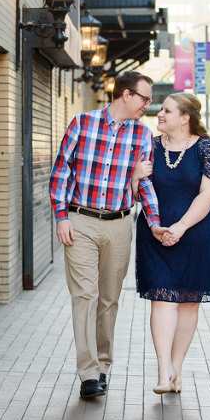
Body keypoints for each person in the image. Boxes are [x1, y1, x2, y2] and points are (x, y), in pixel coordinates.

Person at [50, 71, 167, 398]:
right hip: (81, 222)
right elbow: (61, 172)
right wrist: (61, 217)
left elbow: (144, 183)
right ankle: (88, 373)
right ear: (126, 95)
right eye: (144, 98)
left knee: (108, 299)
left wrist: (154, 221)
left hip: (119, 224)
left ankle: (103, 365)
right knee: (84, 296)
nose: (148, 104)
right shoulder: (82, 123)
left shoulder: (143, 136)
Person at [131, 92, 210, 395]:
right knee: (162, 299)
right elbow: (137, 193)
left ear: (185, 118)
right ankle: (163, 372)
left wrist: (181, 226)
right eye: (160, 110)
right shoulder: (148, 147)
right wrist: (135, 176)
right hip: (156, 234)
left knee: (188, 303)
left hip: (197, 235)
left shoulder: (206, 149)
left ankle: (176, 368)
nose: (159, 115)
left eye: (166, 111)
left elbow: (209, 194)